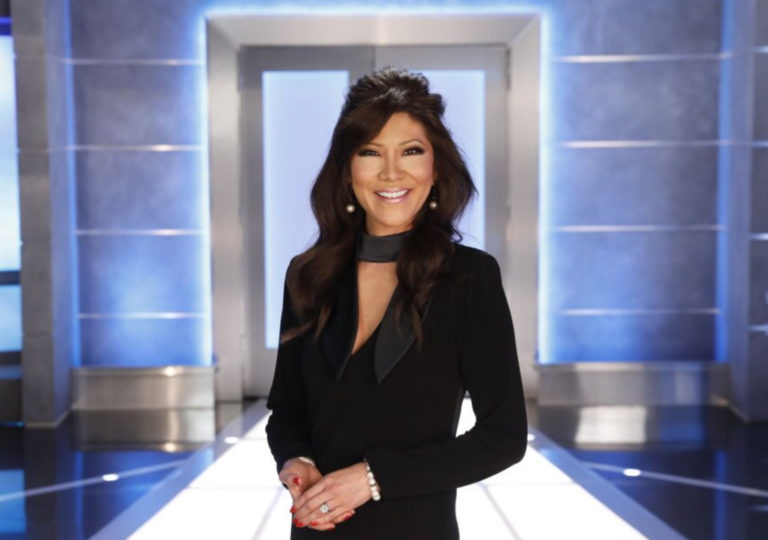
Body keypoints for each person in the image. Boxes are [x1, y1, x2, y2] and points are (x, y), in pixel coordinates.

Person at [265, 67, 527, 539]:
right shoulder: (308, 274)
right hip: (317, 528)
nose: (391, 172)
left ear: (435, 167)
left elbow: (504, 437)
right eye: (370, 152)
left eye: (411, 151)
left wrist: (372, 478)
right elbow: (286, 409)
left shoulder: (469, 277)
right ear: (347, 169)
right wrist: (295, 459)